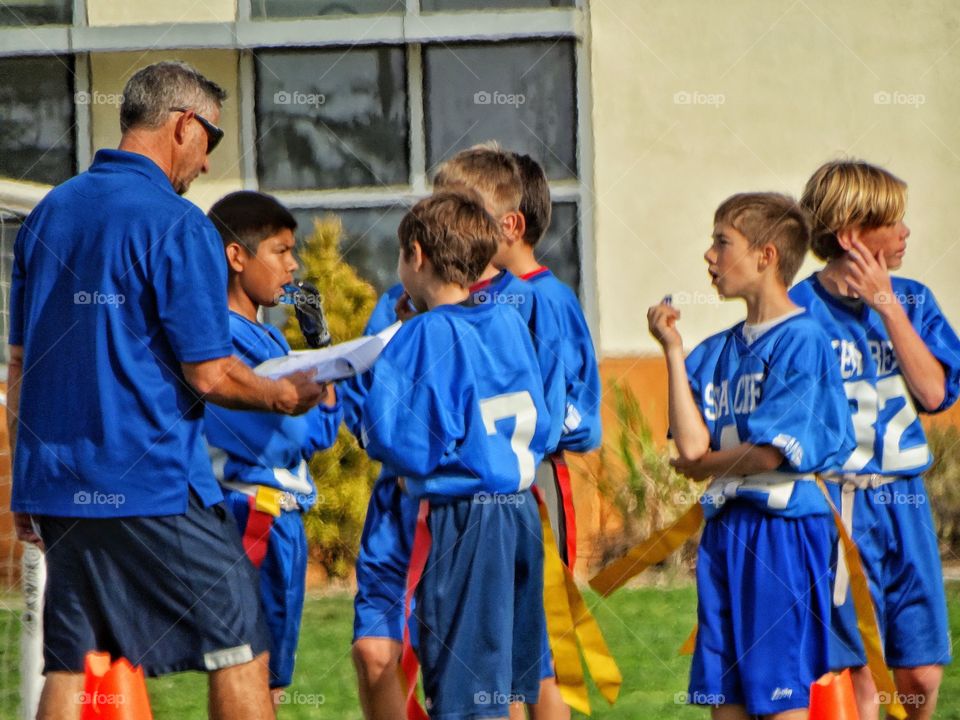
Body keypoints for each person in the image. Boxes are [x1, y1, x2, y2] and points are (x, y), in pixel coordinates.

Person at [7, 61, 324, 720]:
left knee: (69, 658)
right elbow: (211, 373)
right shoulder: (177, 224)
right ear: (184, 126)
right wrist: (284, 393)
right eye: (211, 139)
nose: (207, 163)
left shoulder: (47, 215)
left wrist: (24, 490)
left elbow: (18, 368)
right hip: (151, 483)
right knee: (241, 642)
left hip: (61, 488)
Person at [648, 192, 854, 719]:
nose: (709, 256)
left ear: (765, 256)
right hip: (728, 529)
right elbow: (692, 445)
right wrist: (672, 350)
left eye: (723, 242)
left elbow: (766, 455)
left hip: (781, 529)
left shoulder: (802, 340)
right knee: (726, 700)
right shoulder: (717, 349)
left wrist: (704, 468)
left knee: (778, 695)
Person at [357, 190, 552, 719]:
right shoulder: (508, 320)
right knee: (503, 686)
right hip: (518, 513)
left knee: (465, 695)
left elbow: (399, 440)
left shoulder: (425, 333)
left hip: (464, 522)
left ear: (416, 256)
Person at [791, 160, 960, 720]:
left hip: (905, 496)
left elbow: (934, 392)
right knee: (862, 665)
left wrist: (887, 305)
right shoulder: (801, 311)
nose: (907, 233)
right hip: (839, 503)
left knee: (921, 669)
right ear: (852, 235)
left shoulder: (912, 300)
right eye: (895, 223)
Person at [204, 190, 343, 706]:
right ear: (237, 257)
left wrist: (321, 348)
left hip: (280, 516)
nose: (293, 265)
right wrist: (323, 380)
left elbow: (321, 435)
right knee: (246, 668)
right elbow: (297, 433)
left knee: (270, 679)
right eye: (280, 251)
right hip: (250, 512)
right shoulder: (221, 337)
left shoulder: (273, 339)